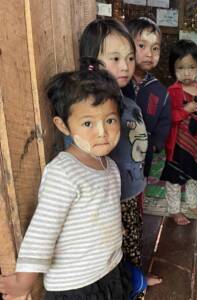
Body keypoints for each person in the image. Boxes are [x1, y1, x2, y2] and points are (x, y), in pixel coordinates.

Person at [0, 59, 131, 299]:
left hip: (109, 271)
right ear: (63, 126)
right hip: (76, 286)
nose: (102, 132)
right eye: (88, 123)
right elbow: (42, 231)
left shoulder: (109, 166)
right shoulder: (64, 172)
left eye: (110, 120)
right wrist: (23, 281)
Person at [79, 18, 162, 289]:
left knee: (134, 238)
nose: (126, 66)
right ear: (93, 65)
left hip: (132, 187)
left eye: (128, 57)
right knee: (117, 245)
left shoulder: (124, 96)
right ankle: (124, 287)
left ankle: (135, 279)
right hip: (111, 198)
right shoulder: (94, 109)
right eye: (115, 58)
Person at [160, 39, 197, 225]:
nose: (186, 72)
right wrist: (185, 110)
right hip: (178, 145)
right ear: (173, 69)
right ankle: (174, 210)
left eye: (191, 67)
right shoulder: (172, 91)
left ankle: (192, 204)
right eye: (181, 68)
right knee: (175, 179)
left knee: (194, 178)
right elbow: (169, 117)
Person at [122, 17, 171, 177]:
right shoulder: (117, 83)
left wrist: (155, 145)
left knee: (138, 190)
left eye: (155, 48)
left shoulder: (160, 91)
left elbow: (165, 122)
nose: (149, 54)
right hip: (116, 153)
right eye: (142, 46)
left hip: (143, 155)